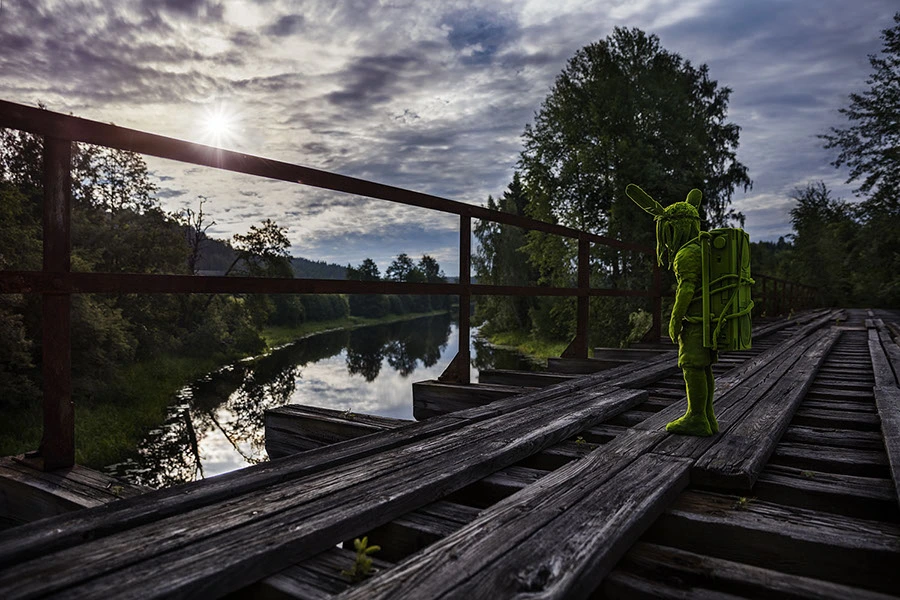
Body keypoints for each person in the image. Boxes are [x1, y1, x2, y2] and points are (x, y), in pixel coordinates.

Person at [625, 184, 717, 436]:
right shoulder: (703, 248)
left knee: (691, 365)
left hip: (696, 321)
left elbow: (687, 288)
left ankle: (696, 417)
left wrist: (675, 319)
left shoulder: (686, 253)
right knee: (704, 366)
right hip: (709, 318)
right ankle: (707, 416)